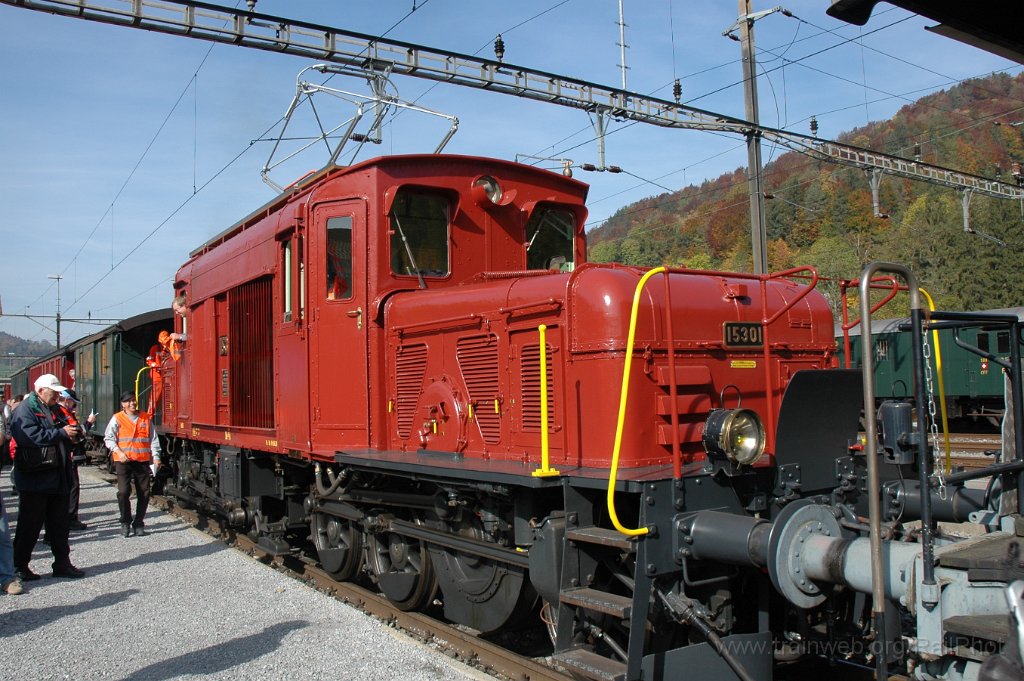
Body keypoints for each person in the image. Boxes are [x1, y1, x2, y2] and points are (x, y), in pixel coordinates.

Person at [9, 374, 85, 580]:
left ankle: (62, 563)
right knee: (29, 525)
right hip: (35, 478)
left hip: (56, 475)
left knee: (59, 525)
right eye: (54, 392)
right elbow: (29, 437)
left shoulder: (53, 408)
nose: (57, 395)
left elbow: (65, 428)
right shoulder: (25, 410)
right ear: (41, 390)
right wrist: (61, 434)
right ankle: (20, 566)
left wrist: (75, 433)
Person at [105, 391, 161, 537]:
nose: (132, 403)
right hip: (123, 460)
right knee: (123, 492)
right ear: (123, 404)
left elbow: (153, 439)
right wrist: (118, 451)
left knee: (144, 493)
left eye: (134, 401)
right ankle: (125, 521)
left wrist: (156, 456)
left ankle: (138, 523)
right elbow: (109, 438)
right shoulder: (117, 418)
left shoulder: (145, 418)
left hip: (141, 460)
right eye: (129, 401)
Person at [56, 389, 95, 531]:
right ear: (67, 400)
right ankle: (71, 518)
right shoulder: (64, 413)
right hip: (69, 455)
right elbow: (78, 432)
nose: (74, 407)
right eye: (73, 403)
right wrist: (89, 423)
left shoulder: (59, 411)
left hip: (66, 454)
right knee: (72, 487)